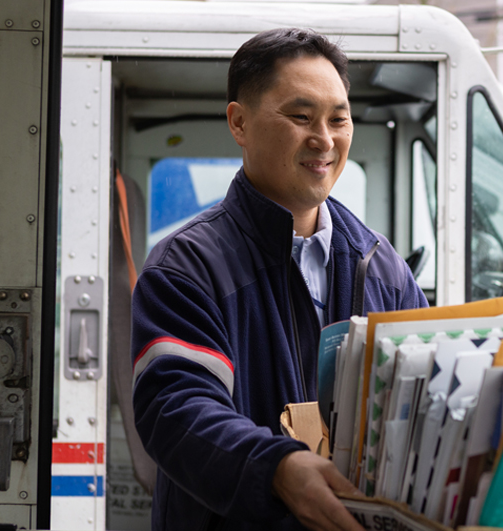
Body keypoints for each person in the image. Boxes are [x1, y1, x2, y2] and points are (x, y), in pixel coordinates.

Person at [130, 28, 429, 531]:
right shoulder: (186, 268)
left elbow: (427, 389)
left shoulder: (382, 266)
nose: (325, 139)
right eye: (300, 116)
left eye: (339, 118)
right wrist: (278, 470)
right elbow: (176, 408)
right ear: (239, 122)